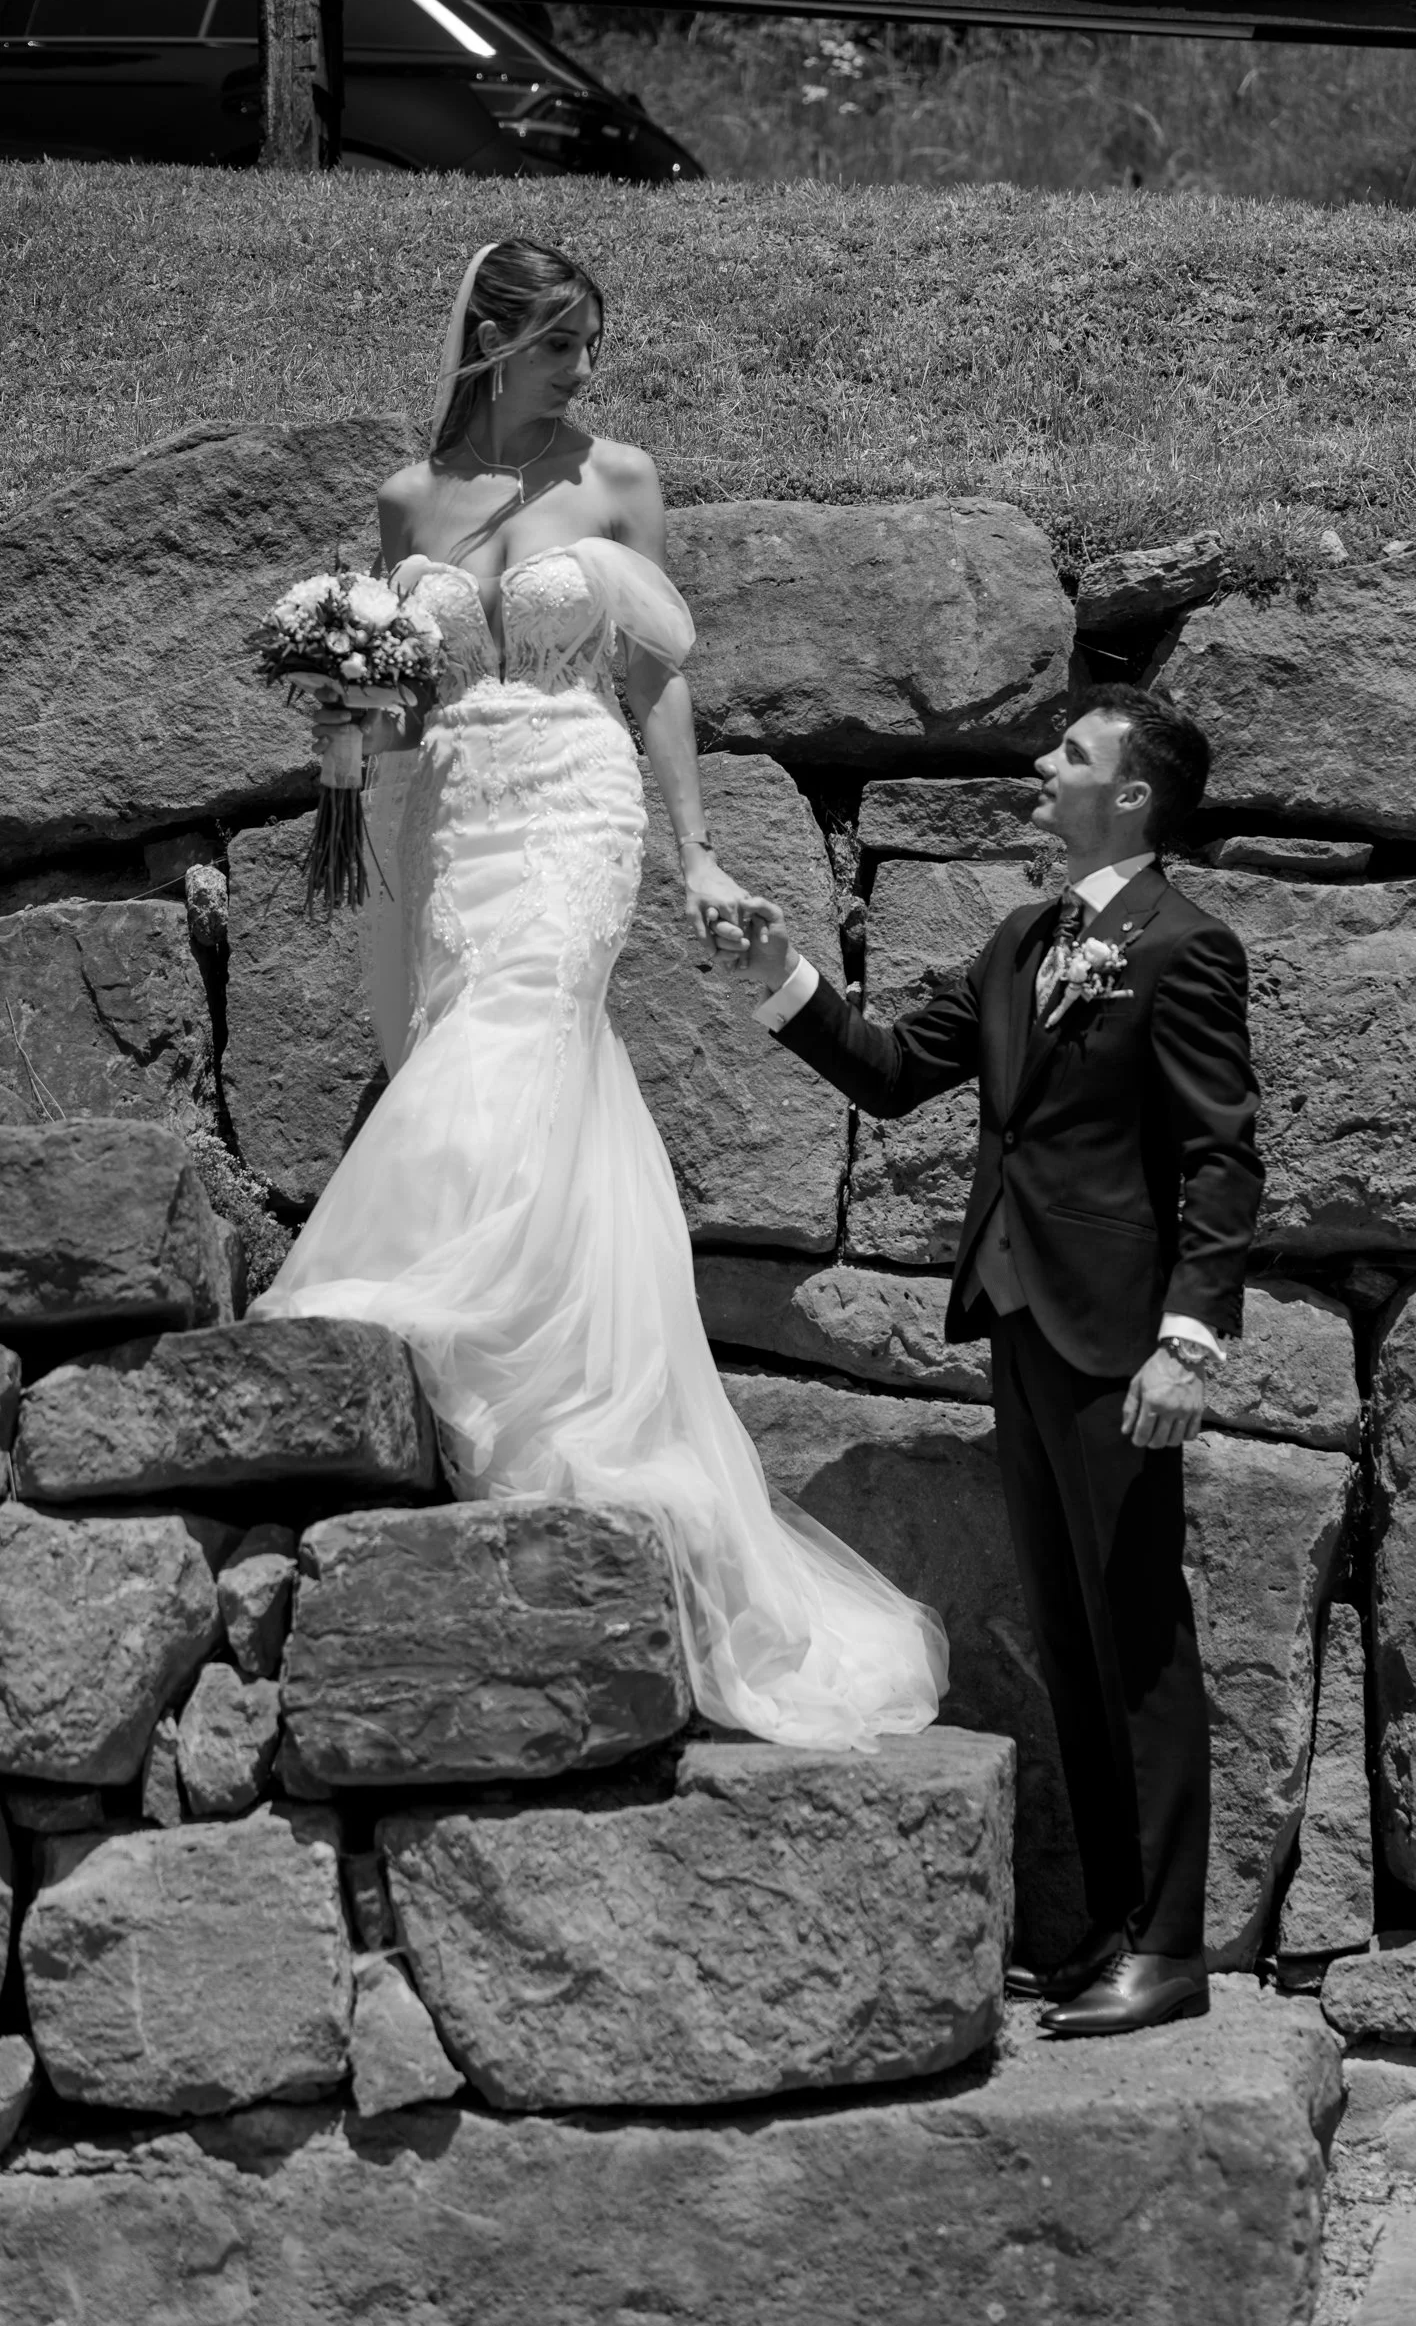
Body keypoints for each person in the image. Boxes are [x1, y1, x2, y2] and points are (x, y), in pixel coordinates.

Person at [252, 237, 947, 1753]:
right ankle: (538, 1366)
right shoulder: (404, 501)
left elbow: (657, 680)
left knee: (522, 1021)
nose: (582, 373)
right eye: (561, 346)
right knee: (466, 1037)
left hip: (572, 800)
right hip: (448, 811)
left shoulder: (619, 479)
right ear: (492, 345)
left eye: (589, 345)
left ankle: (440, 1295)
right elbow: (389, 686)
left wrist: (699, 853)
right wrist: (340, 728)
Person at [740, 689, 1263, 2034]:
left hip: (1117, 1338)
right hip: (1022, 1322)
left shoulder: (1181, 949)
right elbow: (889, 1069)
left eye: (1071, 755)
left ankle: (1170, 1947)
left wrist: (1187, 1341)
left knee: (1137, 1640)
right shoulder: (1022, 938)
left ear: (1132, 796)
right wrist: (779, 974)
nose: (1042, 765)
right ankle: (1105, 1927)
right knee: (1072, 1640)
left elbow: (1218, 1156)